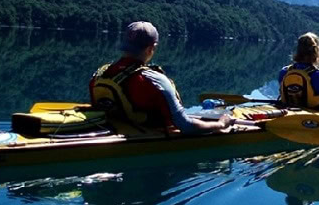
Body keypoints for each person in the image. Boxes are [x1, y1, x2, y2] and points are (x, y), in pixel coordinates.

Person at [90, 21, 232, 133]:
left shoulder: (100, 74)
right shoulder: (154, 80)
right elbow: (186, 126)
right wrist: (221, 124)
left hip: (115, 128)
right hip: (149, 137)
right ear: (151, 48)